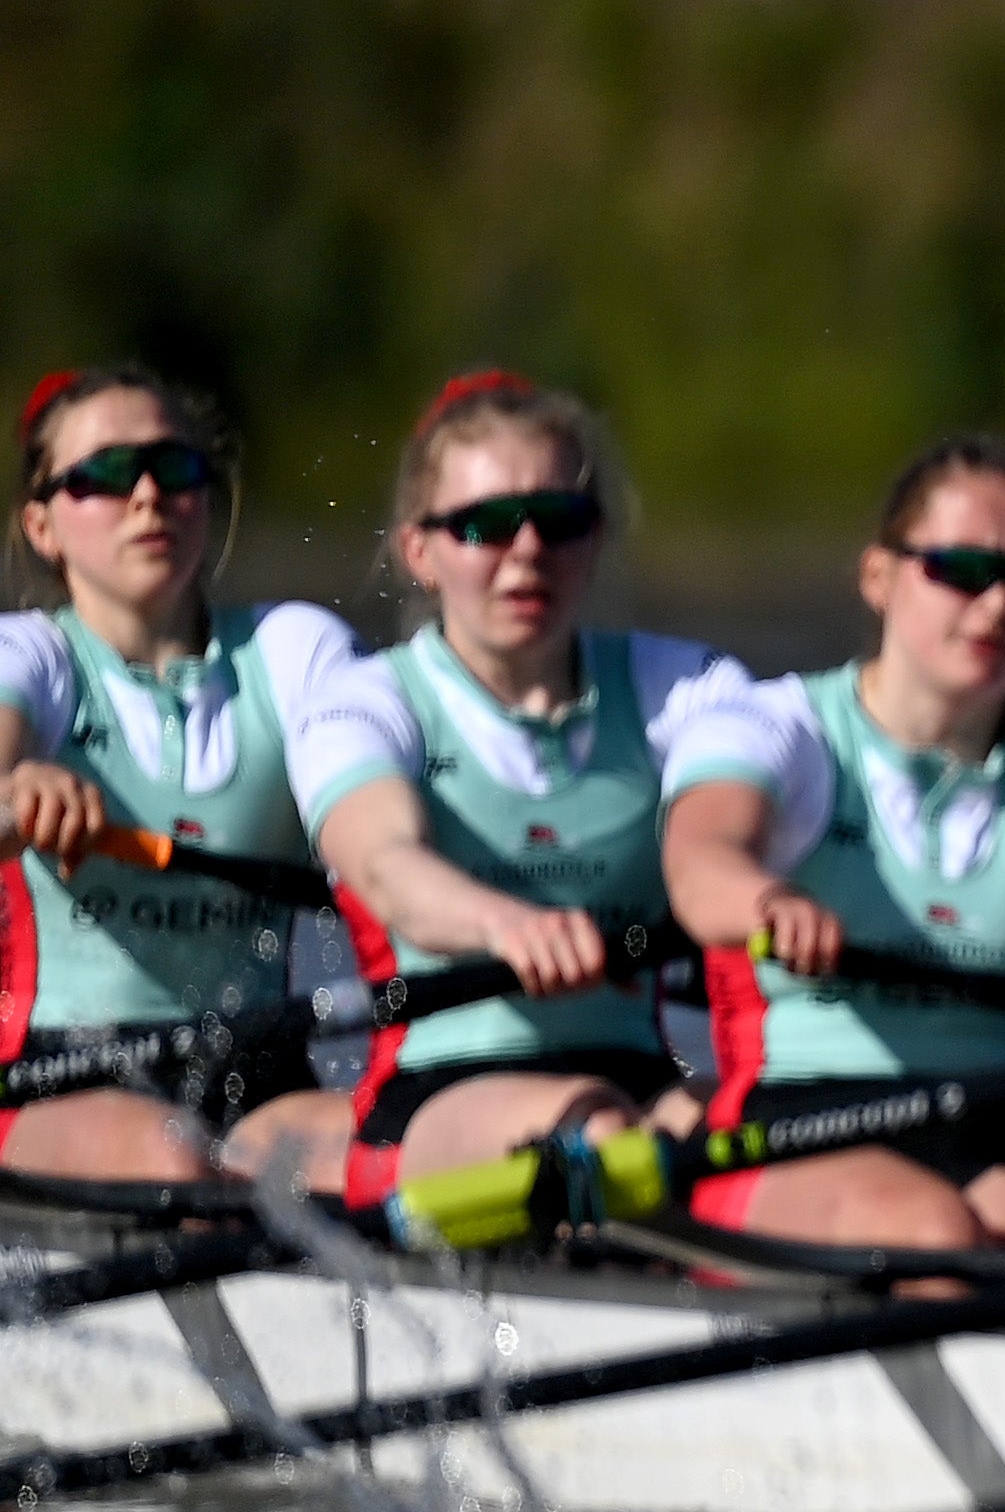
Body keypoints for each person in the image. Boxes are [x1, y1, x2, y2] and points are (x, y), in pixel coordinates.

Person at [655, 436, 1005, 1258]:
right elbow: (701, 865)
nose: (995, 608)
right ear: (878, 576)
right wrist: (767, 903)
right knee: (929, 1230)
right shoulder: (775, 727)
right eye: (961, 572)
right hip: (797, 1133)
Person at [293, 373, 755, 1196]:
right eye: (487, 526)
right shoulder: (367, 704)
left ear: (596, 536)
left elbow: (757, 825)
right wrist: (507, 925)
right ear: (421, 551)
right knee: (610, 1134)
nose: (528, 551)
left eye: (558, 521)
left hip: (640, 1078)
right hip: (441, 1095)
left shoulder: (686, 689)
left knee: (752, 1128)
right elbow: (386, 868)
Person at [0, 367, 361, 1183]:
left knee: (389, 1152)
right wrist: (17, 793)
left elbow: (381, 809)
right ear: (42, 525)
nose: (149, 495)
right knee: (172, 1154)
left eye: (175, 467)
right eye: (106, 476)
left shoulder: (295, 650)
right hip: (55, 1082)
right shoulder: (31, 656)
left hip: (262, 1082)